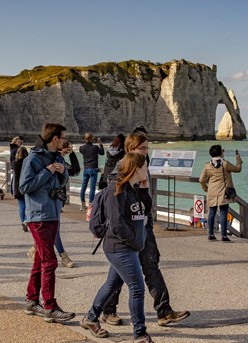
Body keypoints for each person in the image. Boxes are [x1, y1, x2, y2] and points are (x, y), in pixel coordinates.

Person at [102, 133, 189, 327]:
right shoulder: (119, 171)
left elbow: (144, 201)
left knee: (151, 265)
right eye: (142, 149)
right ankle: (106, 311)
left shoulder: (143, 167)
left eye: (147, 148)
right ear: (130, 150)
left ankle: (164, 311)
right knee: (118, 273)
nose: (146, 152)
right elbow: (118, 207)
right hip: (128, 230)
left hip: (143, 226)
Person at [80, 153, 154, 343]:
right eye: (145, 166)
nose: (147, 169)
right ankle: (140, 334)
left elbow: (144, 211)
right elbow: (116, 224)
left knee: (113, 284)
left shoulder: (133, 188)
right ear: (136, 168)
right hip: (120, 247)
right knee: (137, 288)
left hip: (129, 246)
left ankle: (90, 318)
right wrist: (135, 241)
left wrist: (145, 191)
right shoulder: (117, 190)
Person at [19, 122, 75, 323]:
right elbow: (24, 186)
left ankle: (32, 301)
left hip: (53, 214)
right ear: (55, 139)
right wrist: (48, 171)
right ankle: (50, 307)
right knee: (50, 261)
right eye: (62, 138)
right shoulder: (33, 158)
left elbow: (64, 180)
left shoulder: (57, 156)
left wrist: (62, 171)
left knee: (40, 261)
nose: (64, 142)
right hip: (39, 217)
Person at [26, 140, 78, 268]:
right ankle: (63, 255)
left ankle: (34, 249)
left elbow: (75, 170)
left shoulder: (61, 162)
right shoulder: (46, 161)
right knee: (55, 230)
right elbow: (26, 185)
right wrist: (49, 170)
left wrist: (71, 155)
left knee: (51, 232)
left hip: (58, 199)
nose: (64, 149)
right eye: (63, 147)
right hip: (45, 202)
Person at [199, 145, 242, 242]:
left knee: (212, 213)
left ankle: (210, 234)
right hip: (223, 192)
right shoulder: (225, 164)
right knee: (223, 214)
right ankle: (223, 236)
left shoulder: (207, 165)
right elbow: (238, 169)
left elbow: (201, 180)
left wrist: (205, 188)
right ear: (220, 153)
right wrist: (238, 159)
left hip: (212, 191)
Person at [79, 133, 104, 210]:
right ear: (91, 139)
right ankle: (91, 204)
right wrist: (100, 143)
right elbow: (102, 153)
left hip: (86, 168)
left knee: (84, 186)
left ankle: (82, 204)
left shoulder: (81, 148)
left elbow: (84, 149)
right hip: (93, 168)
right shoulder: (95, 147)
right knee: (92, 187)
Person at [13, 147, 29, 232]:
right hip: (26, 186)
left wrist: (13, 191)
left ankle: (23, 222)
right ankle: (26, 221)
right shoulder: (27, 163)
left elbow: (14, 178)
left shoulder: (15, 163)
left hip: (17, 186)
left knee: (21, 206)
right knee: (29, 207)